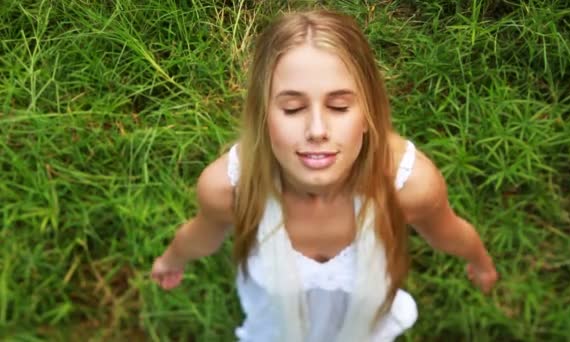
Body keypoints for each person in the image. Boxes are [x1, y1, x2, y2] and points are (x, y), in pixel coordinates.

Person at [151, 9, 498, 342]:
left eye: (339, 106)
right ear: (262, 115)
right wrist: (171, 259)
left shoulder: (410, 185)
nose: (317, 130)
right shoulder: (228, 189)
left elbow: (448, 231)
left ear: (367, 113)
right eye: (292, 108)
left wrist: (479, 261)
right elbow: (202, 234)